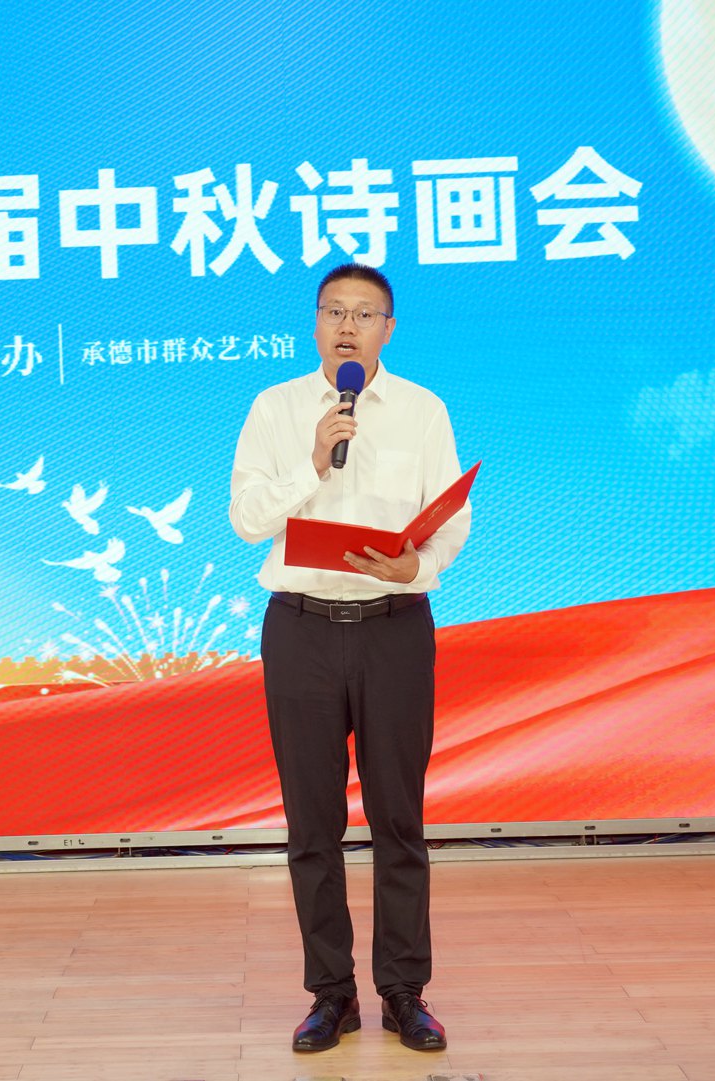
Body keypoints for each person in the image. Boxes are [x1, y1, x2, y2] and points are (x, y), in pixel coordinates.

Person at [228, 263, 470, 1053]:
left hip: (393, 626)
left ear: (387, 330)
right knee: (312, 822)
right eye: (333, 311)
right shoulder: (276, 408)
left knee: (399, 817)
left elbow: (449, 516)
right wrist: (310, 461)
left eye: (364, 314)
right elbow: (246, 519)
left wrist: (417, 565)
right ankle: (330, 994)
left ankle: (404, 991)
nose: (346, 327)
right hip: (299, 628)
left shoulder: (424, 409)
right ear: (314, 323)